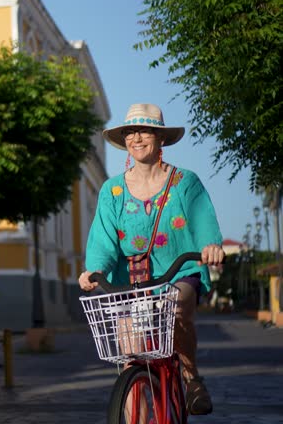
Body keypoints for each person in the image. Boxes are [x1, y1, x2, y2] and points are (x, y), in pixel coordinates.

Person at [78, 103, 224, 416]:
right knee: (131, 357)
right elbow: (103, 239)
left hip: (178, 272)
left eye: (144, 130)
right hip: (132, 283)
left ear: (160, 138)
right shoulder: (112, 190)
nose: (137, 137)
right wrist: (95, 270)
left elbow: (203, 224)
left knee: (180, 303)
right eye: (130, 132)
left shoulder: (185, 182)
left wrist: (210, 246)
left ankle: (191, 376)